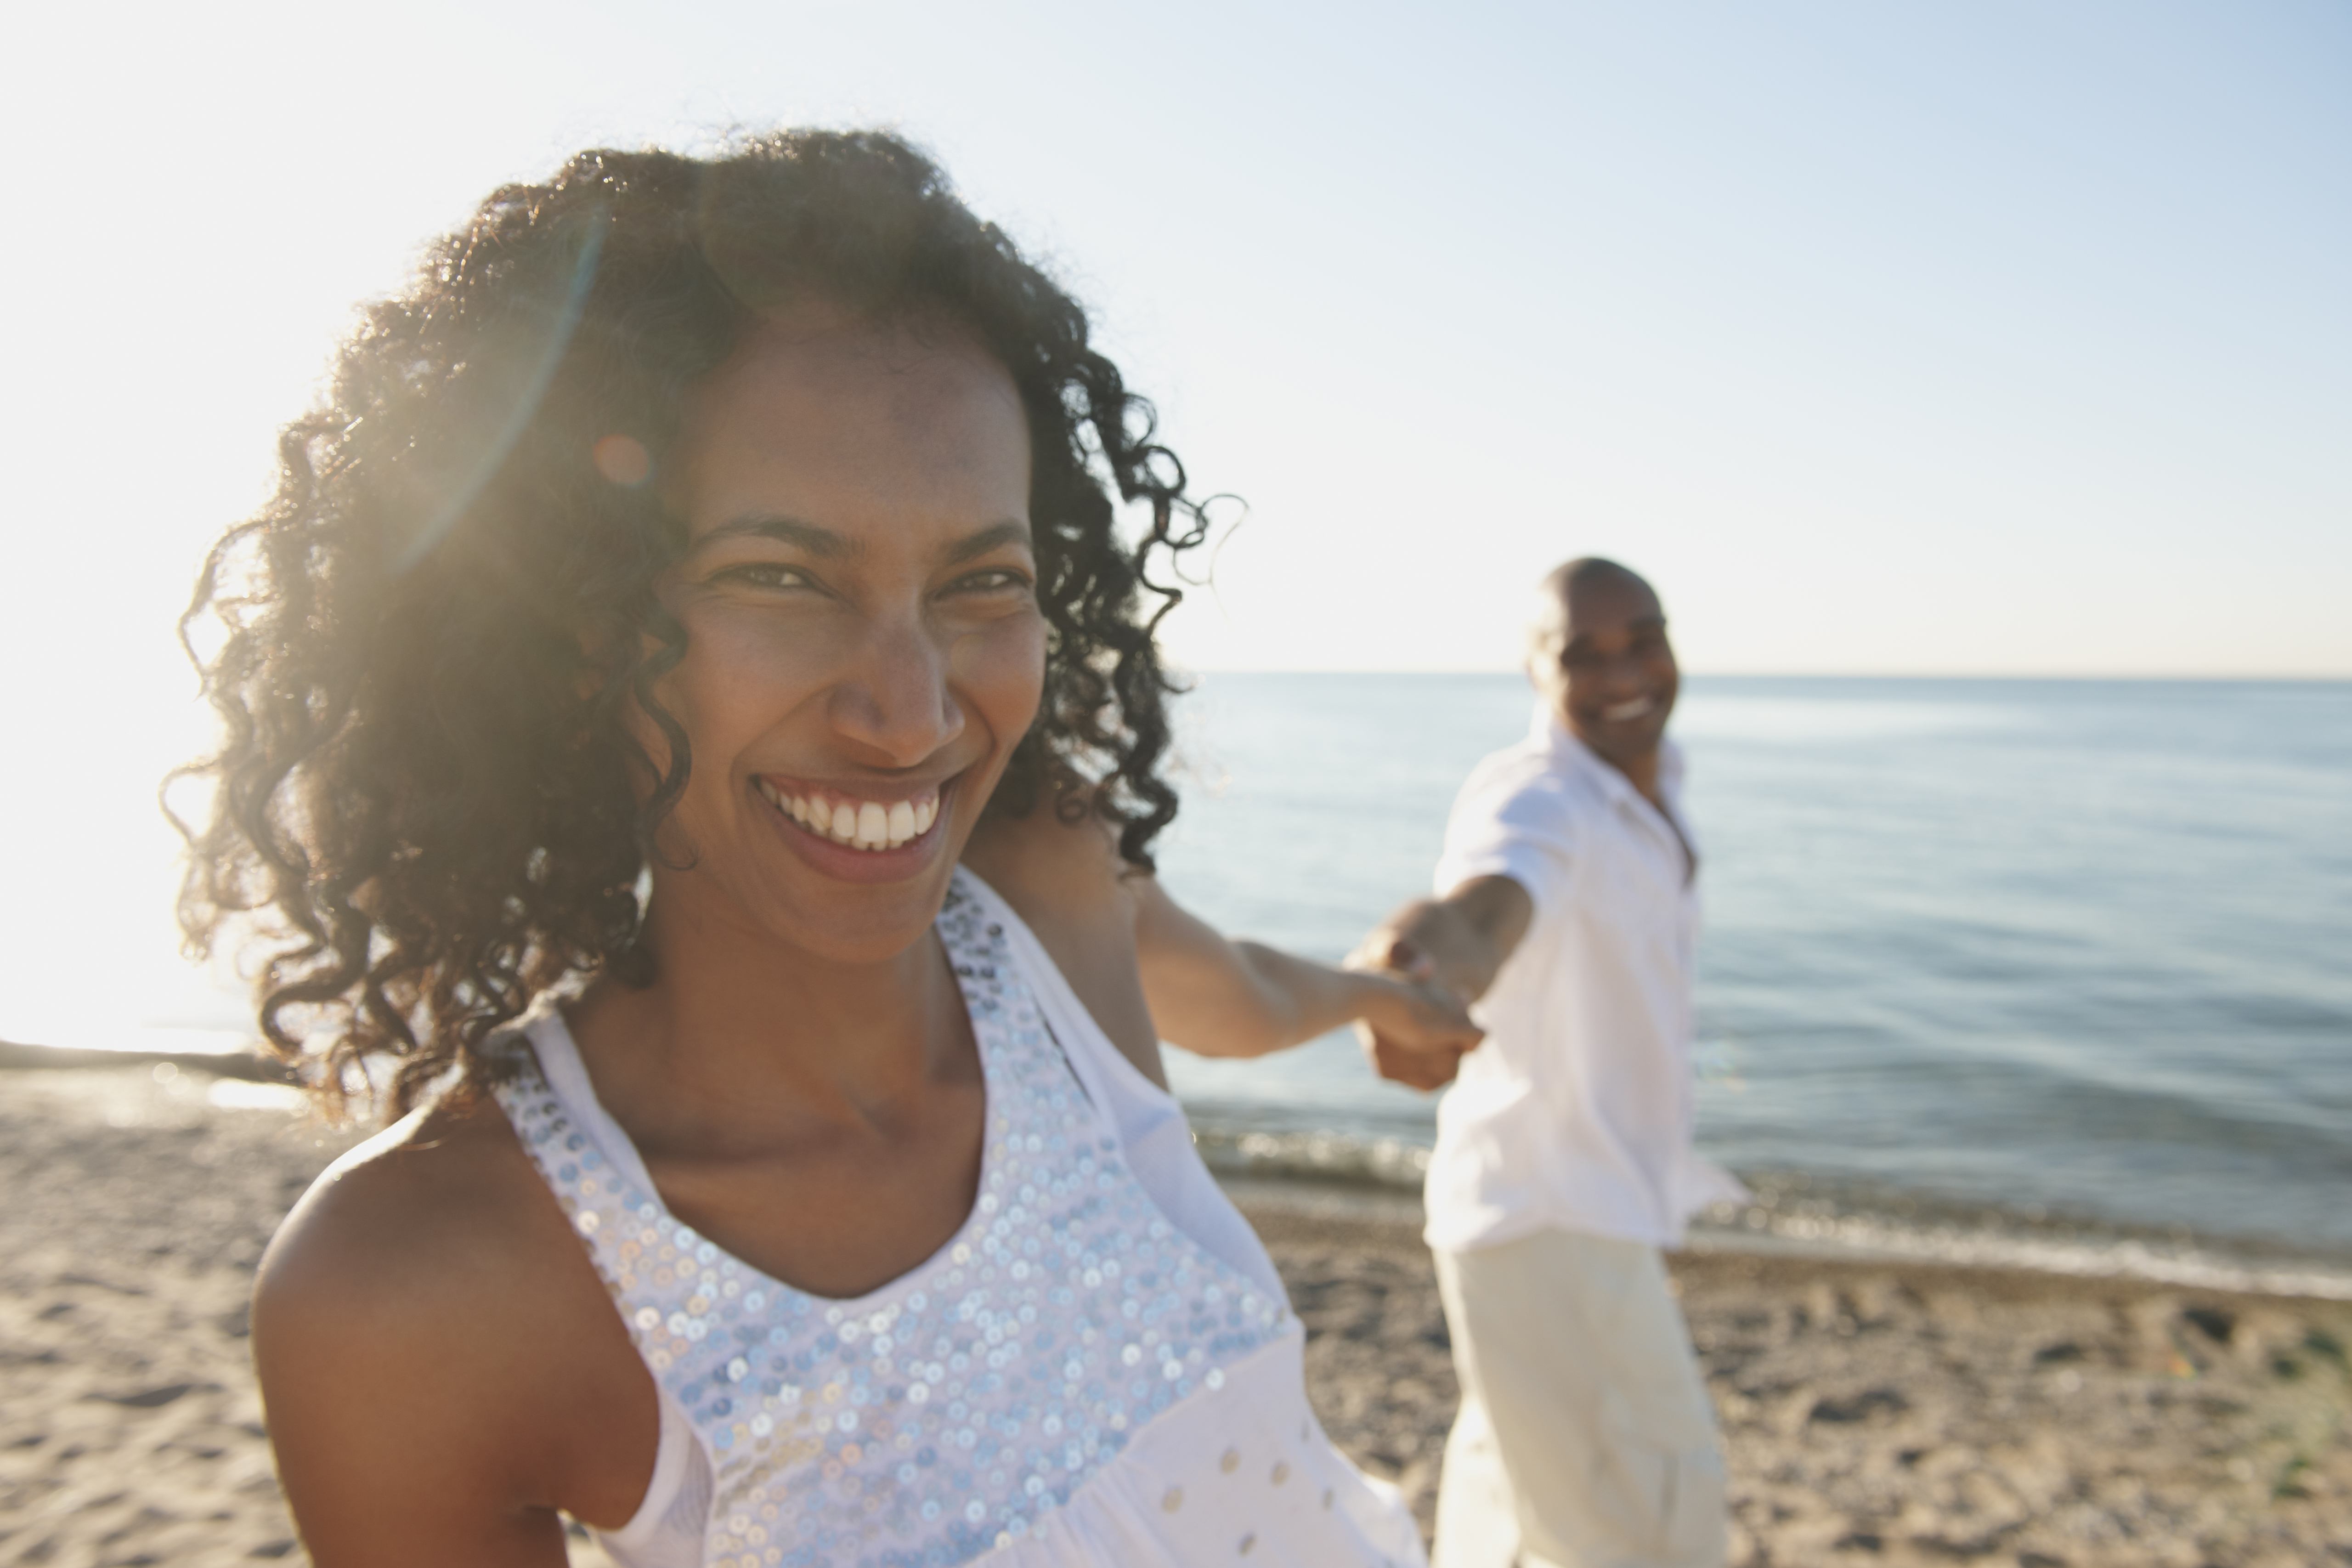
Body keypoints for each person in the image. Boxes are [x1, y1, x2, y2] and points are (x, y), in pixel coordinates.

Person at [171, 130, 1477, 1567]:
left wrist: (1383, 999)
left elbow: (1236, 991)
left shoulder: (1049, 886)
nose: (910, 713)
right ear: (570, 630)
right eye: (781, 576)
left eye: (983, 579)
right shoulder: (424, 1282)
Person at [1352, 559, 1747, 1568]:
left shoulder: (1651, 783)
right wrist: (1418, 965)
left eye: (1642, 639)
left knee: (1513, 1515)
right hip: (1552, 1224)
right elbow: (1488, 902)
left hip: (1567, 1214)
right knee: (1656, 1528)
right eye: (1583, 653)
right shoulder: (1540, 795)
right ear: (1535, 669)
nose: (1623, 672)